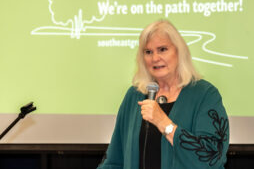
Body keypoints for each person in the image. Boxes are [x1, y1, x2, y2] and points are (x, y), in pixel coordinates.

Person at [97, 20, 229, 169]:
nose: (155, 58)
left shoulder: (204, 95)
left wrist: (163, 123)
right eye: (148, 52)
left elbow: (212, 157)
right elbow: (115, 160)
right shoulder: (135, 95)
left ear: (179, 52)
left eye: (162, 49)